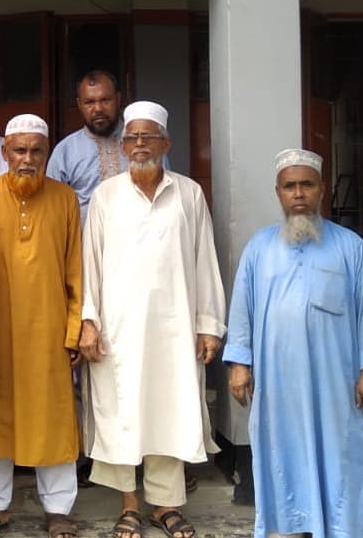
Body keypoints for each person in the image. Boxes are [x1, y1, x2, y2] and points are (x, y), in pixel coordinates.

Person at [223, 149, 363, 538]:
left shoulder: (350, 247)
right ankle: (292, 526)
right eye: (290, 186)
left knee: (341, 452)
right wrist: (239, 365)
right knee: (282, 450)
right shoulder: (259, 247)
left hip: (336, 381)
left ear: (322, 189)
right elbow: (242, 310)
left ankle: (343, 529)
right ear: (278, 192)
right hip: (277, 382)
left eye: (307, 184)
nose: (299, 193)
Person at [79, 101, 226, 538]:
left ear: (166, 143)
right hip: (118, 329)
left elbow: (204, 260)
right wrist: (89, 321)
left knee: (171, 410)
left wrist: (208, 324)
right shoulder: (106, 196)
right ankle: (129, 505)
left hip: (174, 328)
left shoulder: (189, 194)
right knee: (121, 411)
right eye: (133, 138)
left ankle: (166, 505)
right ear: (122, 146)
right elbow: (90, 263)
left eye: (149, 137)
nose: (140, 144)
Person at [0, 115, 81, 538]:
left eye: (36, 151)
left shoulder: (65, 198)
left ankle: (58, 508)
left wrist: (75, 328)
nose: (27, 159)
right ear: (5, 152)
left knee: (53, 414)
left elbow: (75, 268)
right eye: (19, 150)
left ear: (47, 154)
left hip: (49, 329)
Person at [46, 71, 126, 221]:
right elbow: (52, 207)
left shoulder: (141, 144)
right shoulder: (65, 151)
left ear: (118, 99)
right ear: (79, 105)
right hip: (85, 236)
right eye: (89, 102)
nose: (98, 108)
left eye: (105, 100)